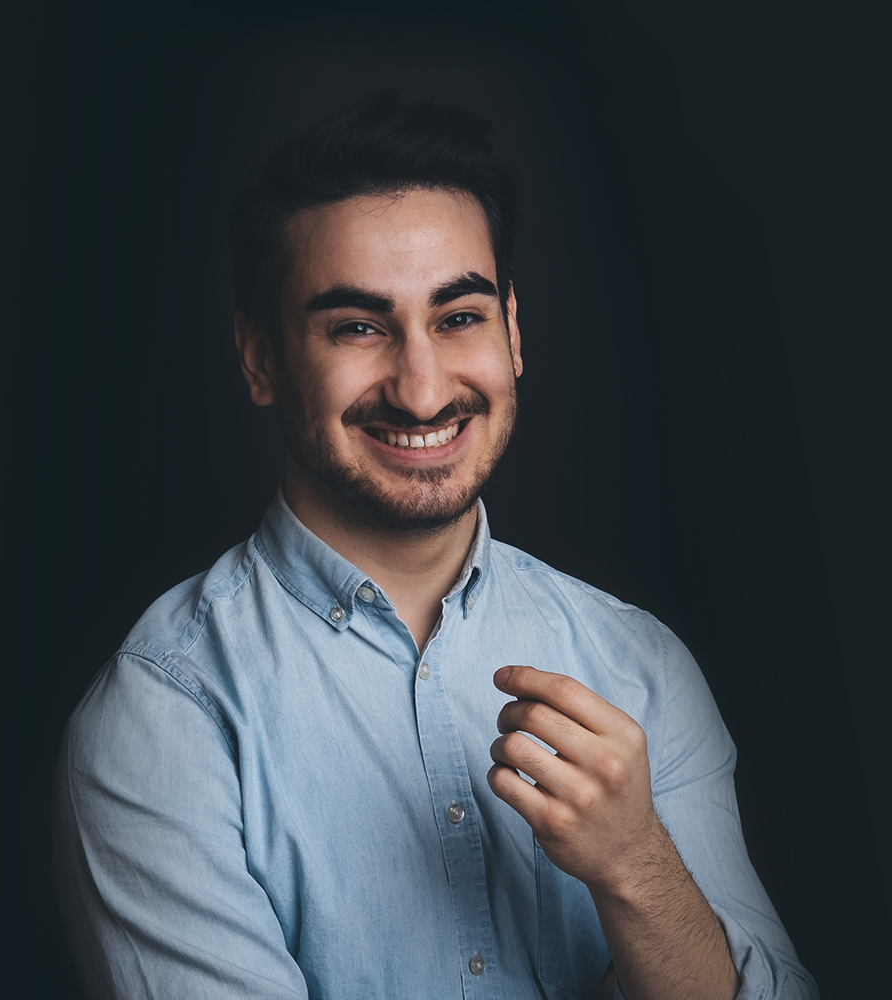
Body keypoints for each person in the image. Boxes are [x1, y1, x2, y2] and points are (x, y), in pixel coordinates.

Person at [53, 91, 818, 1000]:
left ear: (513, 333)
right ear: (260, 359)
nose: (421, 391)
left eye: (458, 317)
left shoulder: (641, 666)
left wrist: (636, 864)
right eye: (358, 327)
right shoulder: (166, 715)